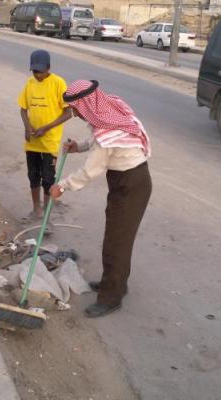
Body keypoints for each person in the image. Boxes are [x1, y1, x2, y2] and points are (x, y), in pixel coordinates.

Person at [49, 80, 152, 318]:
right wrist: (78, 146)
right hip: (129, 181)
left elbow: (90, 170)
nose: (74, 114)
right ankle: (115, 284)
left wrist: (62, 186)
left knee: (116, 242)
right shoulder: (109, 111)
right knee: (119, 239)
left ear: (85, 104)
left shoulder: (106, 128)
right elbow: (99, 141)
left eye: (74, 109)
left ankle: (111, 297)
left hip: (130, 185)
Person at [18, 50, 72, 221]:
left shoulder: (58, 83)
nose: (37, 75)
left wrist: (47, 128)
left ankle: (46, 217)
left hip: (49, 142)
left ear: (48, 67)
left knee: (48, 179)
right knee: (33, 176)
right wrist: (27, 127)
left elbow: (68, 113)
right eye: (34, 71)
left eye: (40, 71)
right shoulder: (30, 83)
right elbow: (23, 109)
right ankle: (37, 209)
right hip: (32, 142)